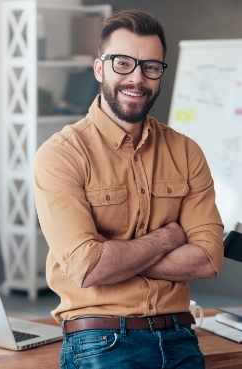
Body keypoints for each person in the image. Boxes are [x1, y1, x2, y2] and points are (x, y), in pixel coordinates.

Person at [33, 9, 224, 369]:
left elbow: (208, 258)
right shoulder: (61, 154)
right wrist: (168, 238)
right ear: (99, 68)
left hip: (180, 334)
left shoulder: (186, 152)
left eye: (151, 66)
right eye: (123, 63)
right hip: (100, 340)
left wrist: (116, 257)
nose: (137, 78)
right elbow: (88, 268)